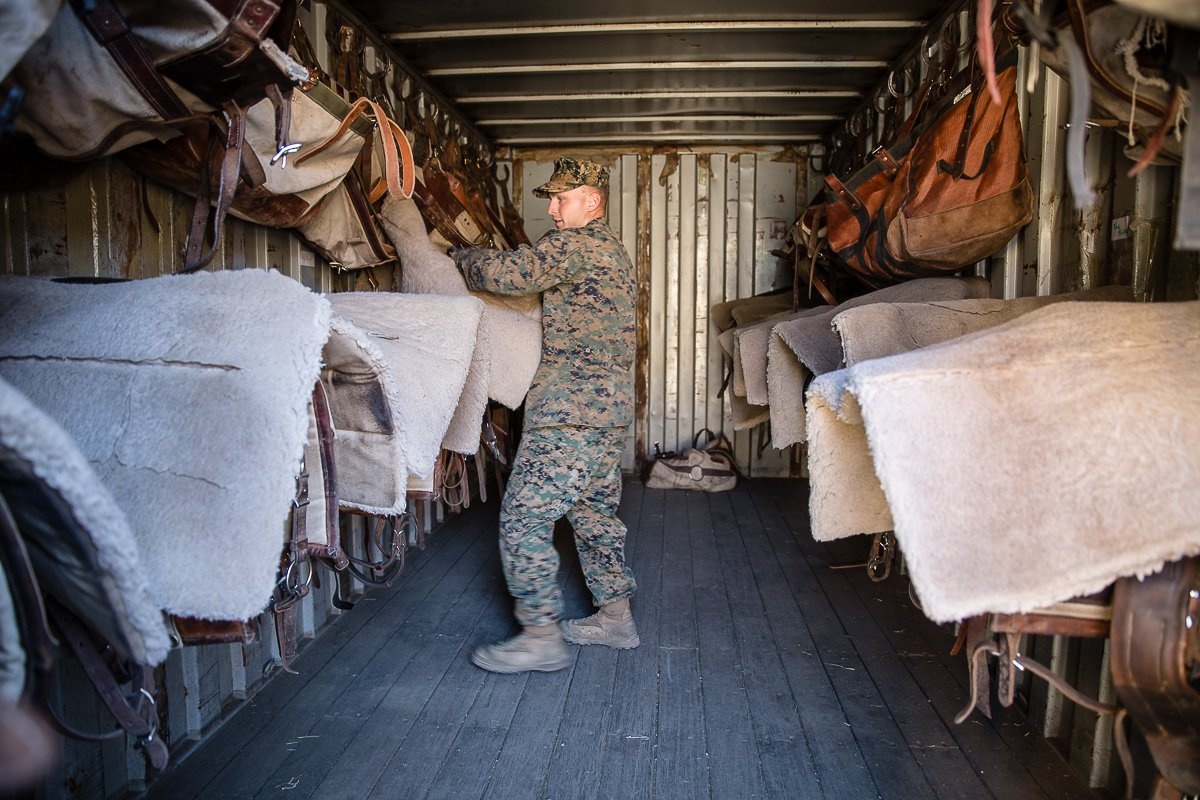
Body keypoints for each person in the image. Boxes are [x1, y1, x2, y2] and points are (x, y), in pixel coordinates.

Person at [452, 157, 638, 673]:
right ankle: (616, 618)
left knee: (523, 518)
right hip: (607, 413)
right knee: (595, 516)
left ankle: (539, 637)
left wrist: (460, 256)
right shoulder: (613, 250)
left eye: (562, 198)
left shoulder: (574, 245)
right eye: (551, 199)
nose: (553, 210)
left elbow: (508, 274)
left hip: (568, 413)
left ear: (592, 201)